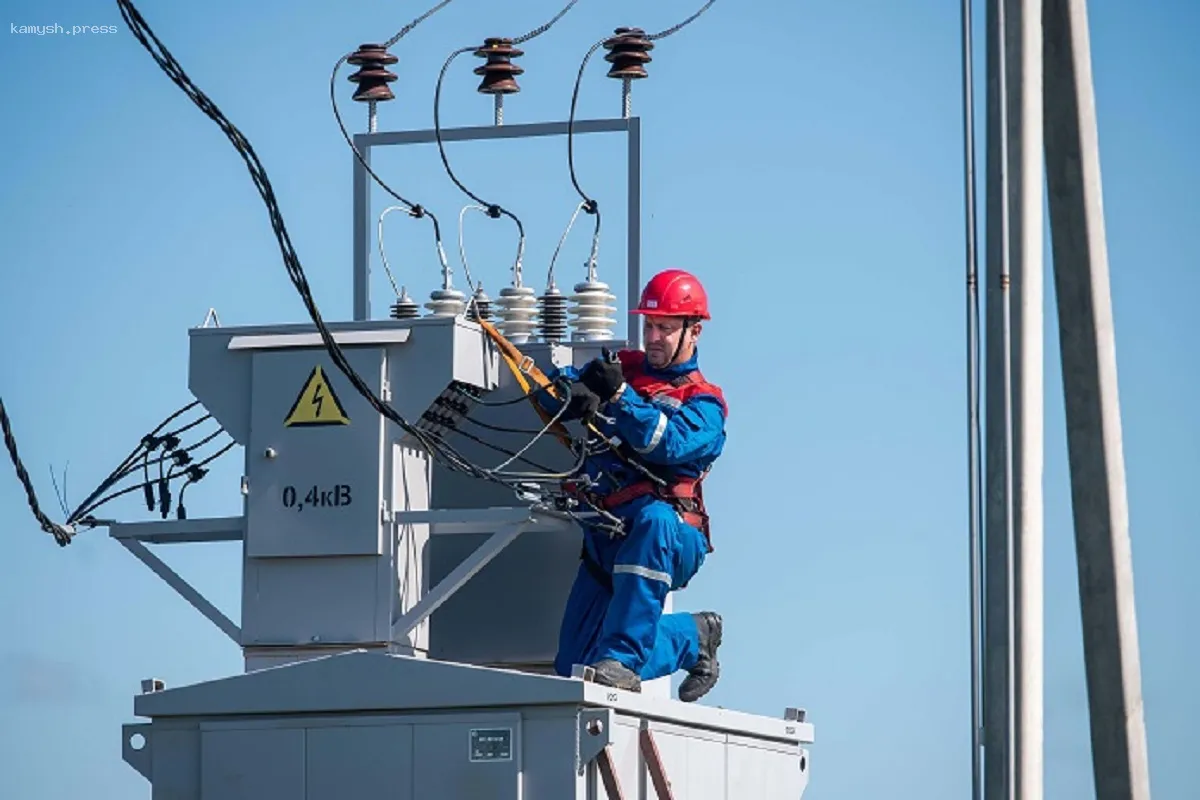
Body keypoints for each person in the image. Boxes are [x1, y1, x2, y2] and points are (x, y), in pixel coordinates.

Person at [540, 268, 727, 702]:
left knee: (654, 521)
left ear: (694, 331)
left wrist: (620, 397)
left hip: (670, 535)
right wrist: (571, 390)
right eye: (649, 326)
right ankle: (692, 637)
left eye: (665, 328)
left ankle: (623, 660)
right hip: (610, 532)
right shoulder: (622, 368)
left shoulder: (705, 403)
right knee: (575, 668)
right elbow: (560, 388)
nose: (654, 338)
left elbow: (667, 445)